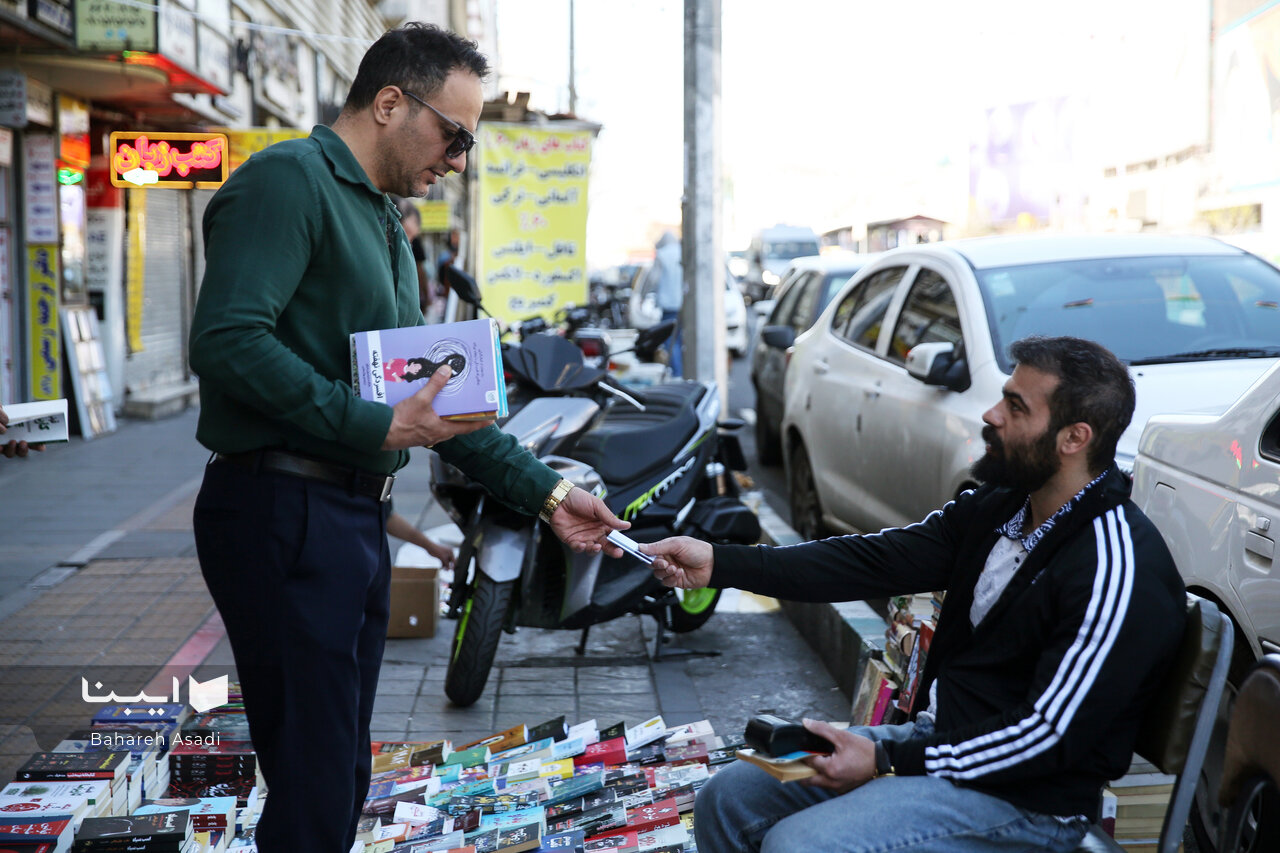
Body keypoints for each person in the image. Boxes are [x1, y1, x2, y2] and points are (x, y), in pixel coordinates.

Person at [188, 23, 627, 853]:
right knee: (318, 772)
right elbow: (225, 340)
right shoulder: (289, 182)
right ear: (390, 103)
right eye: (453, 134)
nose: (458, 160)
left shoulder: (387, 222)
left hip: (348, 517)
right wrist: (373, 422)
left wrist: (555, 495)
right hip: (283, 507)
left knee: (338, 767)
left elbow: (435, 405)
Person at [643, 336, 1186, 853]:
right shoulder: (1003, 506)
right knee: (727, 798)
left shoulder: (1113, 564)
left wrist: (885, 756)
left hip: (1029, 801)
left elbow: (1048, 736)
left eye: (1016, 407)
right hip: (940, 747)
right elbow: (873, 560)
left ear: (1074, 438)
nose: (991, 415)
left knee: (799, 844)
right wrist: (720, 562)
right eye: (1001, 398)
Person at [653, 230, 683, 376]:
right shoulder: (683, 252)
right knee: (681, 341)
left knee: (670, 342)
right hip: (684, 304)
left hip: (668, 304)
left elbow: (654, 279)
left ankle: (677, 374)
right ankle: (682, 372)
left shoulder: (661, 255)